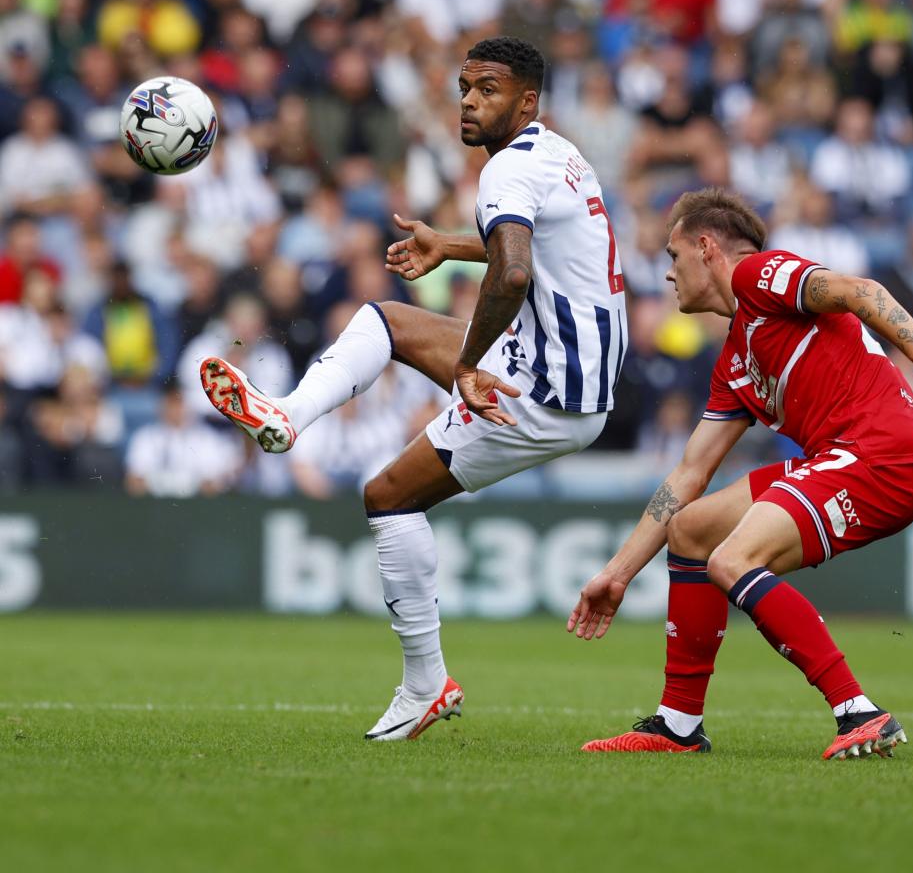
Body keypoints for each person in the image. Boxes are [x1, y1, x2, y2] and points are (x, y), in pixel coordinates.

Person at [197, 37, 628, 740]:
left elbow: (515, 273)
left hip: (542, 390)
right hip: (571, 371)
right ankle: (287, 414)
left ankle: (427, 685)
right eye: (464, 86)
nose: (468, 100)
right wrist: (448, 245)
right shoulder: (558, 154)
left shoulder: (505, 174)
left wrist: (468, 364)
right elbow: (525, 245)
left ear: (526, 100)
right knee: (386, 319)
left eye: (487, 89)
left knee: (388, 497)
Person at [566, 188, 913, 760]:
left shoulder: (760, 276)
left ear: (706, 246)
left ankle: (857, 711)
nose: (669, 275)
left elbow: (862, 291)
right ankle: (677, 726)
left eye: (673, 256)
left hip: (881, 456)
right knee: (692, 530)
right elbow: (688, 473)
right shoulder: (736, 359)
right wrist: (618, 574)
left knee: (731, 559)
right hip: (839, 457)